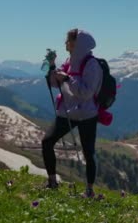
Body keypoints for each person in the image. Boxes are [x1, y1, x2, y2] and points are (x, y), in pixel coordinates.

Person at [42, 28, 103, 198]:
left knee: (88, 152)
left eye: (68, 41)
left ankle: (89, 190)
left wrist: (67, 78)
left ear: (78, 44)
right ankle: (52, 181)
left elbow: (86, 93)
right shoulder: (69, 61)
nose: (65, 44)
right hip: (67, 112)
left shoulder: (92, 64)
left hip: (86, 114)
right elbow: (54, 84)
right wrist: (52, 66)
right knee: (47, 142)